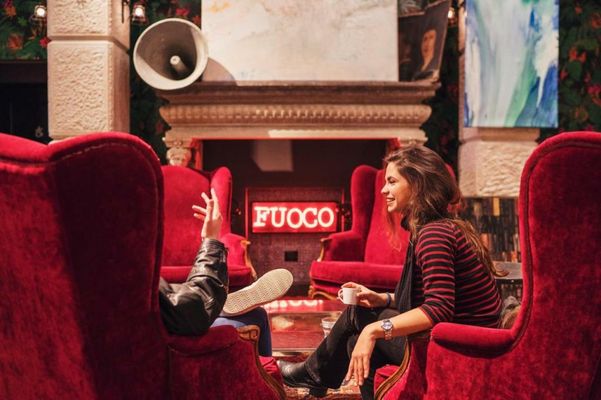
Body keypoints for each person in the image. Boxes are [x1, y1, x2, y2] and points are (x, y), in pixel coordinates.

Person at [278, 145, 503, 399]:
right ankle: (317, 375)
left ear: (417, 185)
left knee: (359, 319)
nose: (383, 190)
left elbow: (438, 309)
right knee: (355, 341)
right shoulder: (439, 228)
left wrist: (373, 330)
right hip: (459, 341)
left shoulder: (434, 235)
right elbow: (435, 298)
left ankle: (314, 374)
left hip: (458, 350)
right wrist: (382, 298)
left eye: (392, 181)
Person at [158, 188, 292, 356]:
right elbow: (195, 310)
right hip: (173, 331)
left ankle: (218, 306)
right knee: (257, 316)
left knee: (257, 313)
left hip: (165, 318)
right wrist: (211, 240)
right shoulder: (135, 271)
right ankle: (265, 370)